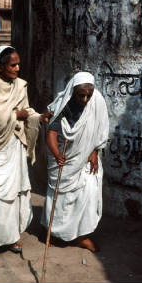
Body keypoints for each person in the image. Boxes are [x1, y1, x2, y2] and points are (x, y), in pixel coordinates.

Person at [0, 45, 53, 262]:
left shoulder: (19, 85)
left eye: (18, 64)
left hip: (13, 145)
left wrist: (39, 117)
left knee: (16, 193)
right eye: (13, 65)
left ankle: (11, 237)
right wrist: (19, 114)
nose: (17, 68)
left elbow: (27, 111)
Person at [40, 71, 109, 252]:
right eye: (81, 95)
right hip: (65, 156)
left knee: (88, 193)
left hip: (86, 156)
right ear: (73, 91)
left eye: (89, 95)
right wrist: (57, 154)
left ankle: (81, 237)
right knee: (60, 198)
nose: (85, 99)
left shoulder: (98, 102)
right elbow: (51, 133)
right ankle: (54, 233)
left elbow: (100, 130)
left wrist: (94, 151)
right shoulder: (64, 103)